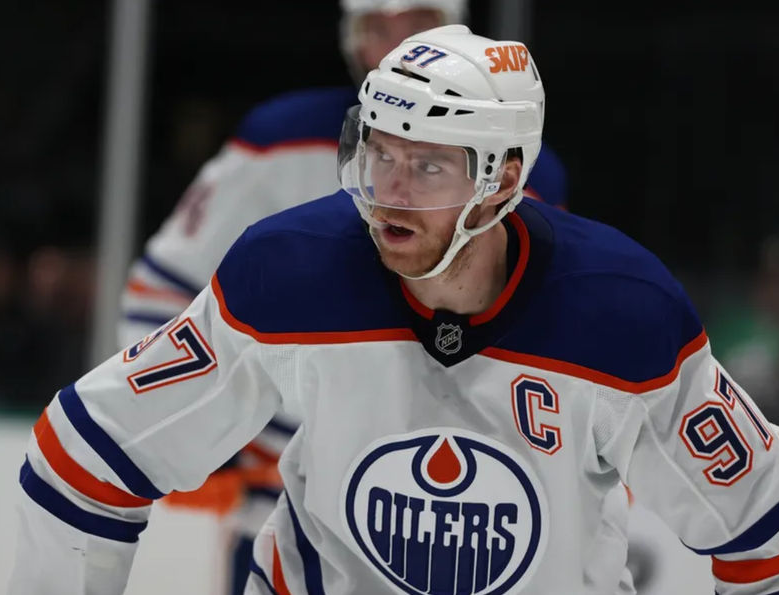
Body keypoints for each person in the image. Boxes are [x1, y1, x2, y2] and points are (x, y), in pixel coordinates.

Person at [9, 26, 779, 595]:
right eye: (380, 152)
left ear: (505, 181)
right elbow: (83, 453)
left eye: (430, 166)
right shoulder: (287, 272)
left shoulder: (624, 316)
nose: (389, 192)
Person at [117, 2, 567, 592]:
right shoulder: (281, 137)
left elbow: (538, 334)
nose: (400, 46)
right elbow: (161, 287)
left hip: (442, 513)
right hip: (278, 500)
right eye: (380, 27)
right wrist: (207, 427)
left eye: (420, 26)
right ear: (352, 40)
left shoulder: (520, 168)